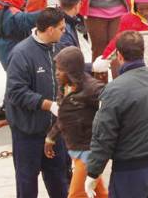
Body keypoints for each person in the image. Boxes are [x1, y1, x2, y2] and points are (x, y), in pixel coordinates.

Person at [85, 31, 148, 198]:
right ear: (142, 52)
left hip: (132, 170)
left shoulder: (114, 90)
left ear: (119, 55)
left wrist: (93, 172)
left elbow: (103, 136)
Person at [5, 7, 70, 198]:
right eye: (61, 28)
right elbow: (16, 92)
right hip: (27, 132)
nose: (64, 32)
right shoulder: (21, 54)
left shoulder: (59, 48)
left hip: (54, 132)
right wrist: (49, 105)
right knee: (27, 184)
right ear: (50, 29)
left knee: (60, 180)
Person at [44, 47, 109, 198]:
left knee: (76, 194)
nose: (56, 73)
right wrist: (51, 137)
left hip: (88, 151)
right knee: (100, 194)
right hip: (76, 150)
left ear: (71, 70)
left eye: (61, 69)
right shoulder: (65, 86)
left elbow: (112, 107)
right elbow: (64, 115)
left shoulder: (92, 88)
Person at [0, 0, 40, 70]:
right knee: (19, 76)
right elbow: (26, 19)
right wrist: (46, 12)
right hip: (14, 47)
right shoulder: (13, 11)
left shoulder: (0, 6)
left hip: (4, 46)